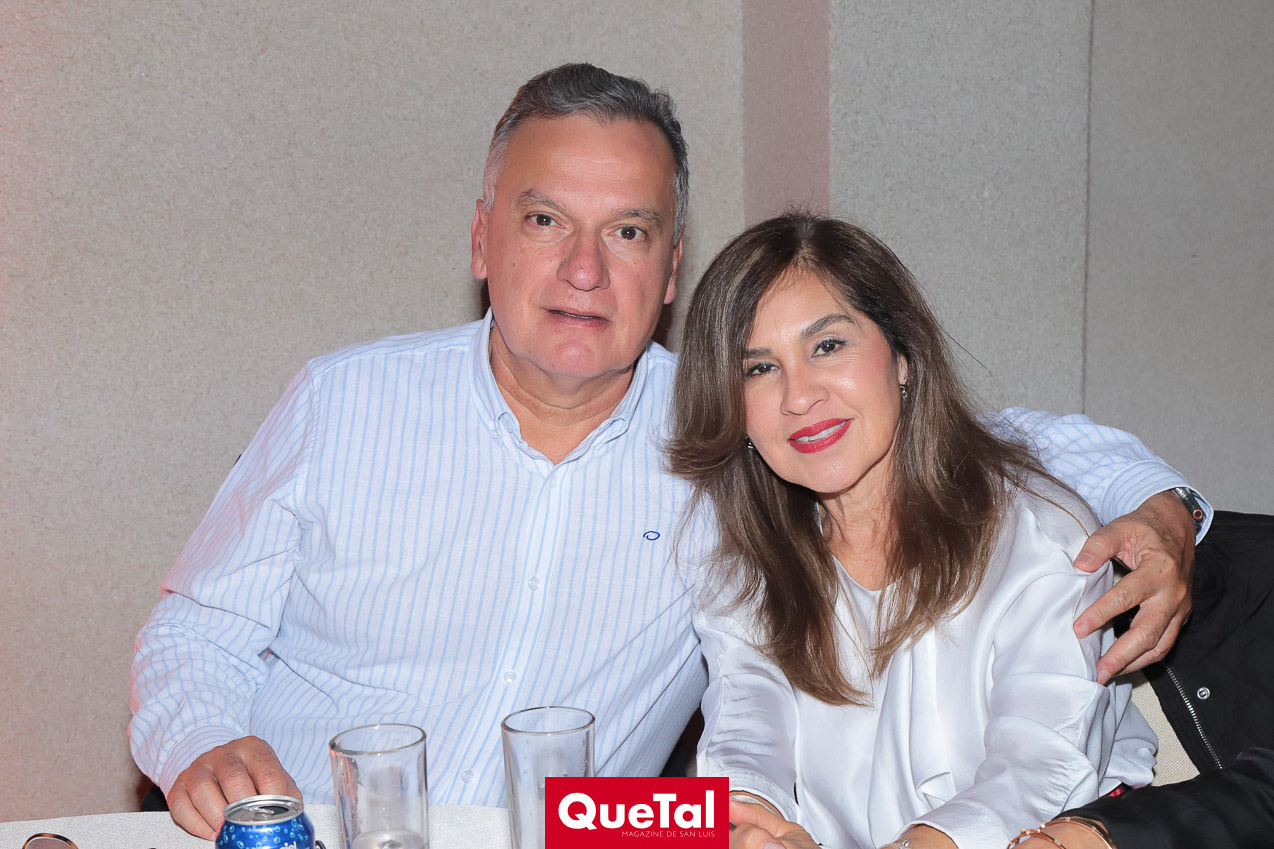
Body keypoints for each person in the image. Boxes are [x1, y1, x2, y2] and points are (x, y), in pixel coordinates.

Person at [129, 63, 1204, 840]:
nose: (585, 269)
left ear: (672, 266)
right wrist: (199, 739)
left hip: (584, 840)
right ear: (481, 237)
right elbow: (194, 633)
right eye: (545, 221)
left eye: (629, 231)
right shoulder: (343, 402)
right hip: (309, 832)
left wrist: (1160, 503)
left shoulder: (724, 434)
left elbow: (974, 436)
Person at [668, 212, 1158, 849]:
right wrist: (746, 822)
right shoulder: (744, 562)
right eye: (758, 368)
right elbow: (746, 727)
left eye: (828, 346)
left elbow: (1041, 766)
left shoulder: (1043, 540)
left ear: (902, 356)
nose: (798, 396)